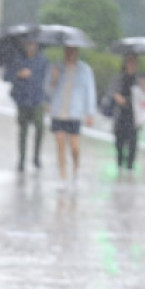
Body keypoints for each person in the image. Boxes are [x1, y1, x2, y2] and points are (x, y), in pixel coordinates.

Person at [45, 45, 97, 187]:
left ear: (77, 52)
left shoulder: (85, 70)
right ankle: (62, 175)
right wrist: (54, 79)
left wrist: (90, 112)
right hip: (58, 112)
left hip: (74, 113)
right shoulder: (56, 68)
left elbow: (89, 91)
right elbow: (47, 91)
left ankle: (75, 169)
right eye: (67, 50)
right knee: (60, 144)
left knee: (74, 147)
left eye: (72, 51)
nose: (69, 54)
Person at [3, 35, 49, 171]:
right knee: (23, 131)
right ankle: (21, 159)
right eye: (28, 43)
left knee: (40, 127)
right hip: (22, 99)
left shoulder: (42, 60)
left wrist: (48, 100)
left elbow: (46, 80)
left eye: (33, 43)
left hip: (37, 99)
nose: (30, 45)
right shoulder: (17, 59)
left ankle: (36, 156)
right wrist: (18, 74)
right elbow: (6, 76)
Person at [102, 52, 145, 171]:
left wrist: (144, 88)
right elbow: (111, 92)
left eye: (134, 62)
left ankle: (130, 166)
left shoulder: (140, 79)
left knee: (133, 142)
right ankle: (119, 164)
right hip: (120, 114)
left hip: (134, 115)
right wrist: (116, 96)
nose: (132, 64)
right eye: (129, 61)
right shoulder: (118, 78)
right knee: (119, 142)